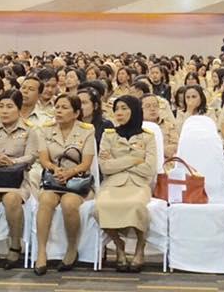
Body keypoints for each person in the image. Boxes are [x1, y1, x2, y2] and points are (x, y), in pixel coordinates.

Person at [33, 94, 95, 276]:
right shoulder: (45, 130)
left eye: (65, 108)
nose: (59, 111)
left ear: (76, 113)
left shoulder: (87, 131)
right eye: (57, 107)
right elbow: (44, 159)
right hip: (53, 179)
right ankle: (41, 252)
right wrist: (55, 170)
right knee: (46, 200)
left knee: (69, 203)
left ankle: (72, 248)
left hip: (76, 181)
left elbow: (86, 164)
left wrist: (69, 173)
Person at [0, 89, 38, 271]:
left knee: (12, 199)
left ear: (19, 109)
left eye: (9, 106)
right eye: (1, 106)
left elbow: (32, 156)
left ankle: (15, 245)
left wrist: (12, 161)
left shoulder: (29, 130)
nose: (4, 111)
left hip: (17, 178)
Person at [96, 96, 157, 273]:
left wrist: (118, 161)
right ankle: (119, 245)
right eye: (117, 109)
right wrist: (134, 159)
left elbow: (149, 169)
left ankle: (140, 247)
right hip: (113, 184)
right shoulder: (109, 135)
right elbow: (105, 167)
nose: (119, 113)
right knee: (100, 206)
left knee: (137, 205)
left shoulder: (147, 137)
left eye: (124, 108)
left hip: (138, 184)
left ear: (134, 110)